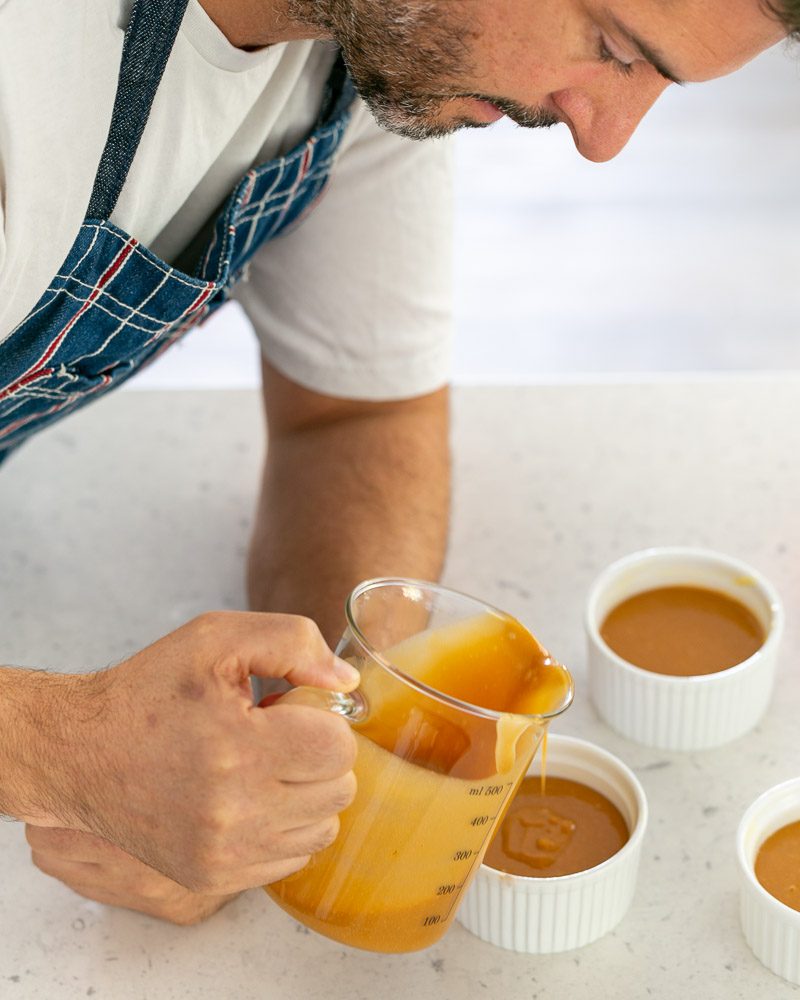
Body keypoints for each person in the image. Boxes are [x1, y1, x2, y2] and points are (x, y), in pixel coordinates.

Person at [0, 0, 793, 926]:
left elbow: (353, 418)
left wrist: (298, 739)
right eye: (611, 48)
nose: (605, 139)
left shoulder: (380, 42)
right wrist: (64, 750)